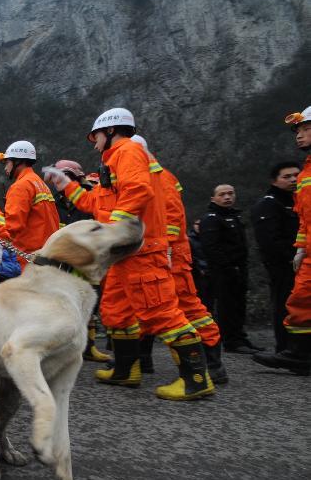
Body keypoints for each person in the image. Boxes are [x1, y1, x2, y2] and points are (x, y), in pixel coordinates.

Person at [44, 107, 213, 401]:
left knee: (161, 312)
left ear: (110, 131)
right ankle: (125, 371)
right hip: (123, 255)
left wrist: (117, 231)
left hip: (141, 251)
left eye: (95, 136)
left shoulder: (128, 151)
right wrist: (66, 184)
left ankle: (196, 379)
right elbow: (92, 201)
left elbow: (139, 191)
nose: (93, 142)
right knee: (115, 312)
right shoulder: (114, 161)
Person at [131, 135, 227, 384]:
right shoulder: (148, 175)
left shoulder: (160, 177)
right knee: (146, 306)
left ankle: (212, 364)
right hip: (157, 252)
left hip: (170, 254)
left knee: (185, 306)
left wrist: (167, 251)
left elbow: (172, 218)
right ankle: (142, 359)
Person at [253, 106, 311, 375]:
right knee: (300, 301)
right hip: (308, 251)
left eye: (306, 129)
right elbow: (304, 216)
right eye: (298, 131)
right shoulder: (306, 170)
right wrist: (300, 248)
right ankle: (299, 354)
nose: (299, 136)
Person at [50, 158, 109, 363]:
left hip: (88, 258)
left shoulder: (89, 198)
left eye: (67, 177)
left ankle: (89, 347)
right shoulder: (53, 201)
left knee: (89, 301)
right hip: (61, 258)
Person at [199, 184, 262, 354]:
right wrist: (227, 267)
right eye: (222, 194)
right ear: (213, 198)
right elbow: (211, 247)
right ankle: (231, 341)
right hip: (222, 271)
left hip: (239, 268)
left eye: (230, 193)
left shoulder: (235, 217)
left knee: (239, 304)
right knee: (227, 305)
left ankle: (240, 337)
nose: (227, 197)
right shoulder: (211, 219)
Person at [250, 162, 301, 354]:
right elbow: (269, 240)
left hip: (300, 263)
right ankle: (285, 347)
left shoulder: (296, 201)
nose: (293, 179)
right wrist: (290, 258)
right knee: (285, 305)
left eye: (296, 175)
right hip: (284, 265)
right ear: (274, 181)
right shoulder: (269, 203)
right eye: (286, 176)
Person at [0, 141, 60, 267]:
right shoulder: (39, 183)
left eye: (7, 162)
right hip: (48, 255)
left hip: (28, 259)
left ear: (18, 161)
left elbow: (12, 227)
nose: (5, 167)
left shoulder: (20, 186)